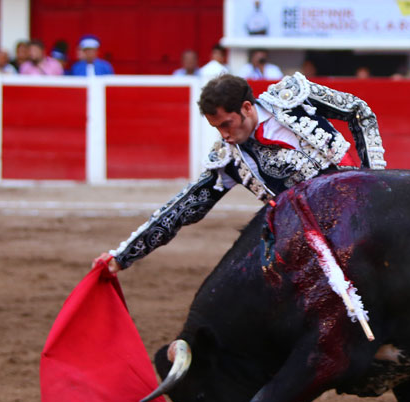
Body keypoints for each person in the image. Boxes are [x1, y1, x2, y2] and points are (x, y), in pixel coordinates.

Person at [94, 73, 386, 273]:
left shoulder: (294, 98)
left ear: (247, 108)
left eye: (227, 124)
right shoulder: (229, 160)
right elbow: (182, 208)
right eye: (217, 128)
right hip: (315, 240)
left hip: (362, 206)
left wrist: (376, 181)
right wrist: (122, 257)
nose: (224, 135)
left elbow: (359, 111)